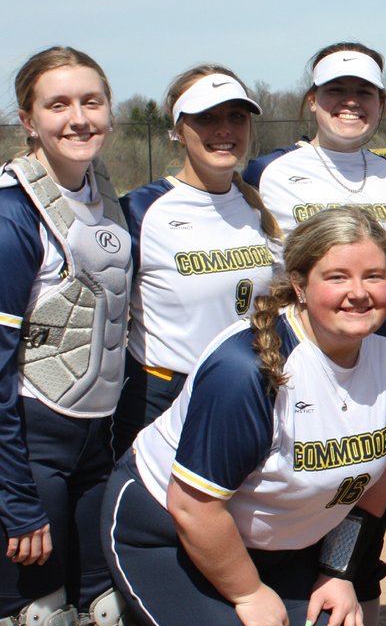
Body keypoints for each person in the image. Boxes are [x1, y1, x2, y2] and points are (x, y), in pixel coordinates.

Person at [101, 206, 386, 626]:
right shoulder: (247, 368)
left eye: (374, 276)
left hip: (286, 546)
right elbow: (194, 507)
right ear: (299, 285)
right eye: (336, 277)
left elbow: (375, 486)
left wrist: (338, 570)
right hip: (172, 536)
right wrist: (249, 594)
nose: (358, 293)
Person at [0, 46, 134, 626]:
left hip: (96, 446)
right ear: (28, 120)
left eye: (91, 102)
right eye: (58, 105)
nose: (78, 118)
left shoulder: (110, 201)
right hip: (32, 448)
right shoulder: (12, 216)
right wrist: (17, 499)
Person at [111, 64, 281, 459]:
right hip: (160, 395)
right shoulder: (140, 208)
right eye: (207, 117)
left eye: (236, 117)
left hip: (243, 389)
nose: (224, 129)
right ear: (177, 129)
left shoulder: (256, 207)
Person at [244, 42, 386, 272]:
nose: (351, 101)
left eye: (364, 91)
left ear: (380, 104)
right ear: (312, 100)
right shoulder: (267, 171)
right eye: (336, 89)